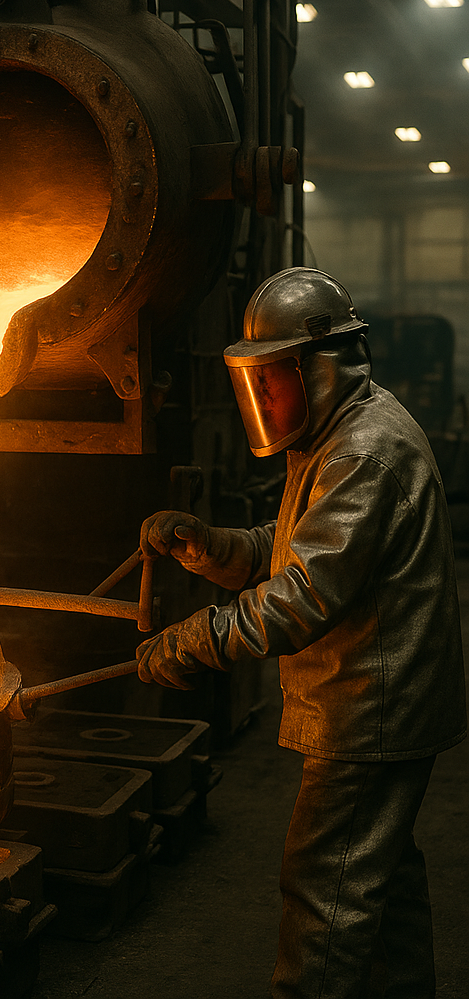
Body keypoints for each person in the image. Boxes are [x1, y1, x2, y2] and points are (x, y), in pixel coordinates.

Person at [136, 267, 467, 998]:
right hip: (383, 701)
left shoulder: (362, 451)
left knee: (325, 896)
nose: (264, 398)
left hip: (373, 709)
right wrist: (209, 545)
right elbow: (294, 549)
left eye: (273, 379)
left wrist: (195, 640)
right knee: (382, 884)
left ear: (320, 367)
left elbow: (304, 596)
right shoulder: (337, 432)